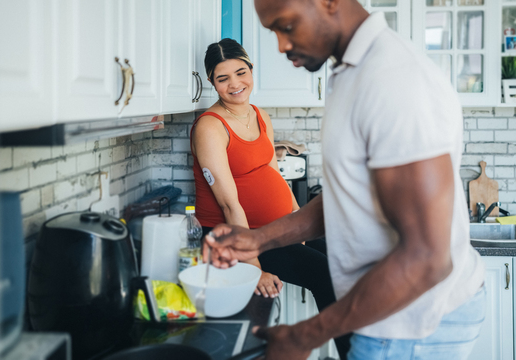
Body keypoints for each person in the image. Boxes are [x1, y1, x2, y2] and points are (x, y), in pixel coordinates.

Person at [204, 1, 486, 360]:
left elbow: (427, 258)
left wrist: (304, 335)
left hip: (412, 326)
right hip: (388, 317)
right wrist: (258, 240)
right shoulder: (351, 73)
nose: (280, 45)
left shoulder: (393, 78)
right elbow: (351, 197)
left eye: (286, 26)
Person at [190, 38, 351, 358]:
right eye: (223, 78)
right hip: (239, 238)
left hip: (275, 229)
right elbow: (228, 205)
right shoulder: (210, 127)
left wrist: (300, 227)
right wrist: (253, 266)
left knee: (345, 258)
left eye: (241, 72)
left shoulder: (259, 115)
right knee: (324, 274)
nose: (235, 84)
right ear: (211, 82)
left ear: (251, 70)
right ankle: (355, 354)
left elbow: (275, 175)